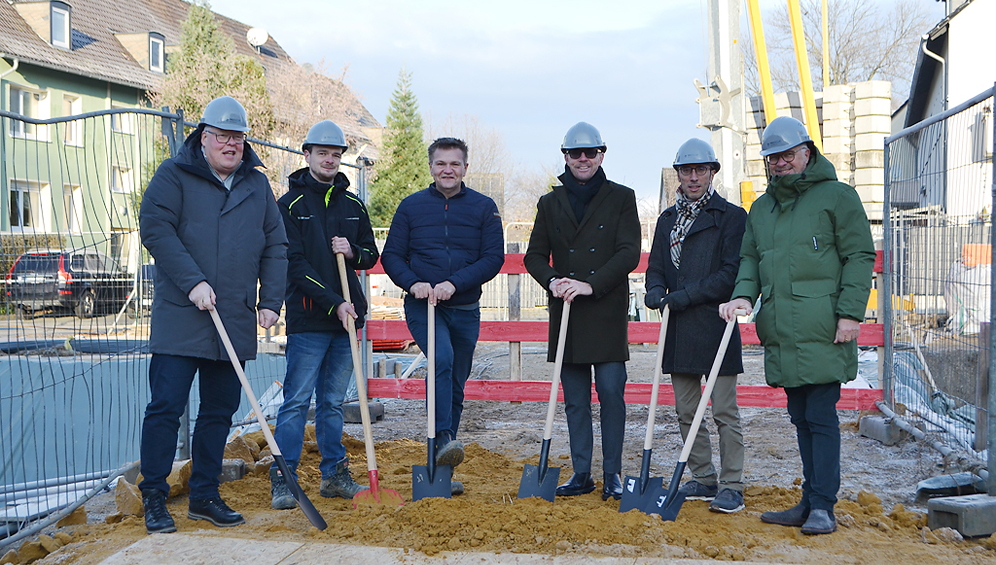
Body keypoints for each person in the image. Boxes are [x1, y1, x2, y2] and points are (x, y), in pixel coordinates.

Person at [138, 96, 288, 534]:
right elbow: (155, 228)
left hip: (234, 317)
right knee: (166, 407)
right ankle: (154, 497)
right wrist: (192, 281)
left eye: (237, 136)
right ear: (204, 137)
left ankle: (204, 494)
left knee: (219, 411)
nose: (230, 144)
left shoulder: (257, 186)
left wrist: (269, 301)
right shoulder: (174, 175)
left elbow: (276, 246)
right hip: (183, 315)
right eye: (221, 135)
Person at [719, 116, 874, 534]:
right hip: (784, 330)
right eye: (773, 157)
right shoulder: (763, 208)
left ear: (807, 152)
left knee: (821, 415)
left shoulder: (838, 198)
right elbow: (750, 259)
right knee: (801, 417)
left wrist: (850, 313)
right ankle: (810, 500)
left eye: (787, 154)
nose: (780, 163)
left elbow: (860, 256)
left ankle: (823, 505)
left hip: (824, 326)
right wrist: (742, 296)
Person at [524, 122, 641, 501]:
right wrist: (553, 280)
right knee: (575, 399)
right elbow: (534, 256)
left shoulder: (622, 197)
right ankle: (581, 473)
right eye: (576, 153)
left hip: (604, 311)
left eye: (590, 152)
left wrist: (592, 283)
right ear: (566, 157)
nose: (583, 159)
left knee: (611, 394)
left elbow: (629, 252)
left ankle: (613, 474)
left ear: (601, 155)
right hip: (567, 313)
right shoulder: (549, 203)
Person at [381, 137, 504, 495]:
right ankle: (444, 438)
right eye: (440, 164)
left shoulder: (484, 208)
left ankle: (442, 462)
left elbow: (492, 257)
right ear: (431, 166)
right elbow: (392, 256)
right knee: (443, 361)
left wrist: (455, 282)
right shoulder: (411, 207)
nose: (447, 170)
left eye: (454, 164)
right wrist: (413, 283)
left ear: (466, 167)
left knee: (457, 380)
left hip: (464, 307)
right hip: (424, 306)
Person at [269, 120, 379, 509]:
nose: (330, 160)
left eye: (336, 155)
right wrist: (334, 301)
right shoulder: (289, 206)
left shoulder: (353, 205)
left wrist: (352, 252)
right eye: (322, 153)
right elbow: (294, 265)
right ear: (307, 155)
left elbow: (371, 254)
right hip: (310, 319)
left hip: (347, 321)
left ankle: (334, 475)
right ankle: (284, 479)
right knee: (297, 401)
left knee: (333, 403)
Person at [645, 138, 747, 513]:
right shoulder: (667, 220)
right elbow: (656, 267)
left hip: (716, 325)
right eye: (686, 170)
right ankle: (704, 476)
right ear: (678, 174)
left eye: (700, 170)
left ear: (712, 173)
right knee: (686, 409)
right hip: (678, 328)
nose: (693, 177)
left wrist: (681, 297)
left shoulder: (732, 217)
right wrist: (655, 291)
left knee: (723, 410)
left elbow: (729, 275)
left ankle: (732, 484)